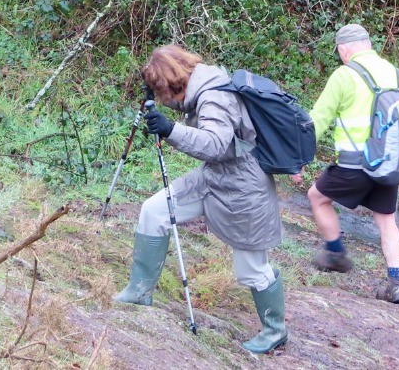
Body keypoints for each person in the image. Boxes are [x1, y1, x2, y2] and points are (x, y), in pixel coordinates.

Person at [114, 45, 287, 356]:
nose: (162, 99)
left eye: (161, 91)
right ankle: (139, 292)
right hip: (214, 177)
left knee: (251, 270)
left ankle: (275, 330)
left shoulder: (214, 95)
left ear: (172, 82)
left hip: (244, 188)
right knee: (154, 210)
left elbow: (215, 144)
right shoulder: (202, 86)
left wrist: (170, 129)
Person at [298, 24, 399, 304]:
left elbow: (319, 119)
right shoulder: (394, 73)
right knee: (386, 220)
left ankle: (335, 253)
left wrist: (298, 158)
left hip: (354, 164)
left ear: (344, 49)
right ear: (368, 45)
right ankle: (396, 283)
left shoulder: (345, 74)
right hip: (386, 164)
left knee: (317, 197)